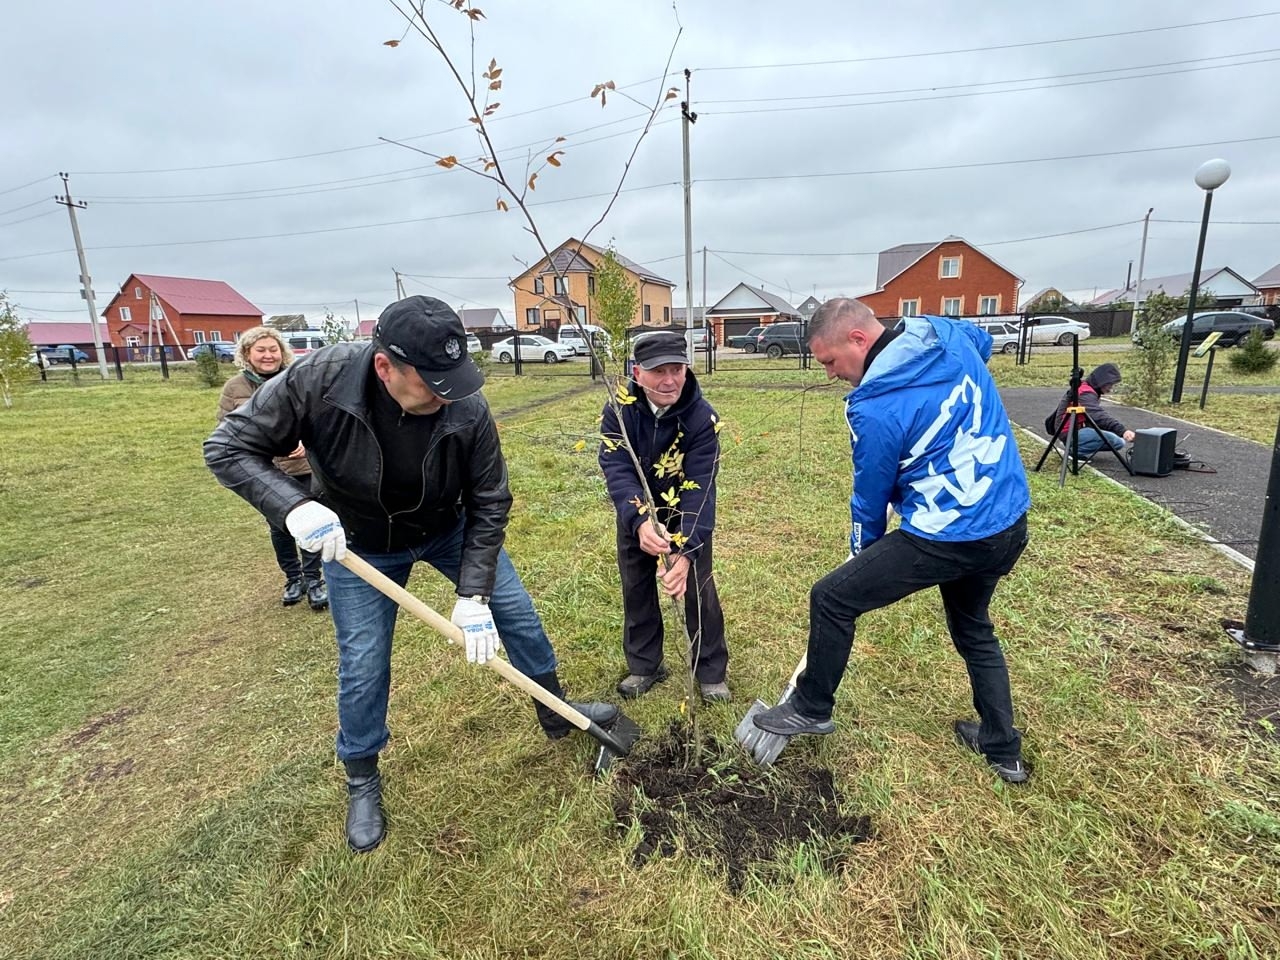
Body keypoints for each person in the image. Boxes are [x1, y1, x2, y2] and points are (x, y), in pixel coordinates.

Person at [205, 295, 618, 852]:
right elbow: (228, 446)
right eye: (433, 386)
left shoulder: (465, 404)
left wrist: (473, 594)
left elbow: (491, 499)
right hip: (357, 543)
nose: (450, 397)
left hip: (448, 527)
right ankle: (362, 774)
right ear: (385, 367)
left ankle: (556, 711)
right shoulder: (318, 380)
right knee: (364, 660)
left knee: (516, 615)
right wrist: (292, 506)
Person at [752, 299, 1033, 784]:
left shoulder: (875, 404)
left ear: (859, 340)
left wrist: (863, 554)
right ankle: (1002, 749)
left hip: (950, 536)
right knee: (973, 630)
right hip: (1007, 522)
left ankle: (812, 705)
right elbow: (982, 346)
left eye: (830, 362)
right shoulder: (944, 334)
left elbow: (871, 494)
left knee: (833, 597)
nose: (831, 374)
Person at [598, 331, 730, 702]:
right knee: (637, 585)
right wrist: (639, 520)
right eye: (659, 371)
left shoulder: (703, 419)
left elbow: (701, 486)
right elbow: (617, 468)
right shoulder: (619, 410)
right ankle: (644, 666)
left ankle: (710, 671)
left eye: (678, 369)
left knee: (698, 589)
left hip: (683, 512)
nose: (670, 380)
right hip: (637, 511)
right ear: (637, 373)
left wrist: (686, 551)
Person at [216, 326, 327, 611]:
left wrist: (306, 440)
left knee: (312, 520)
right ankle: (293, 578)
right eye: (261, 350)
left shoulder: (297, 379)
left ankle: (315, 580)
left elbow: (318, 417)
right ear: (247, 354)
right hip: (265, 471)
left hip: (303, 466)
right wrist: (272, 447)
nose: (268, 356)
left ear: (282, 352)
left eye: (273, 349)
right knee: (279, 527)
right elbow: (228, 432)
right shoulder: (235, 389)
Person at [1048, 362, 1136, 461]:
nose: (1110, 389)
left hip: (1073, 429)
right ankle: (1076, 451)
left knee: (1118, 442)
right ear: (1102, 381)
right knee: (1116, 441)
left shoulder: (1087, 389)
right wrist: (1122, 431)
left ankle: (1075, 445)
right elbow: (1097, 416)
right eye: (1110, 385)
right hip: (1069, 431)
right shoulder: (1086, 393)